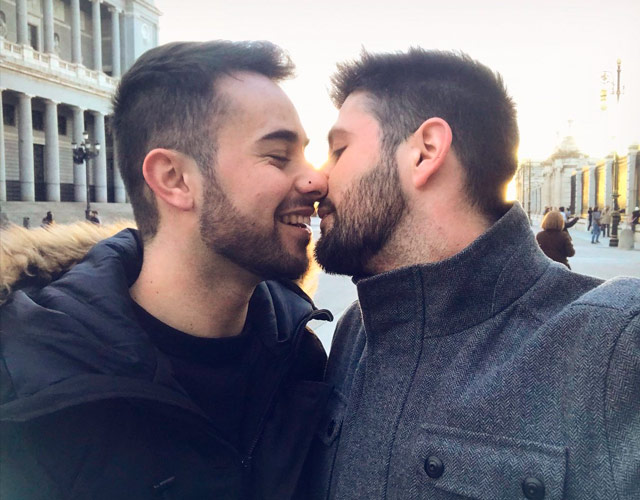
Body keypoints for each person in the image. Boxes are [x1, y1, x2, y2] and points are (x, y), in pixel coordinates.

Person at [0, 41, 331, 500]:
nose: (317, 180)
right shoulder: (25, 388)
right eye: (277, 156)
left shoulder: (303, 360)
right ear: (173, 179)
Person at [306, 49, 639, 499]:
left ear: (426, 151)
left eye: (339, 150)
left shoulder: (611, 347)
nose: (317, 180)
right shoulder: (355, 330)